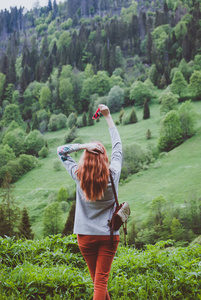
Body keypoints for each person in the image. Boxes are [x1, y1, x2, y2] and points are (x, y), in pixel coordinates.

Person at [57, 104, 122, 300]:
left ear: (85, 158)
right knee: (100, 282)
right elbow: (118, 146)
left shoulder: (79, 175)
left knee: (98, 282)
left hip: (85, 236)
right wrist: (108, 117)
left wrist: (84, 146)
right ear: (104, 159)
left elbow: (61, 150)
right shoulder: (113, 174)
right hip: (108, 235)